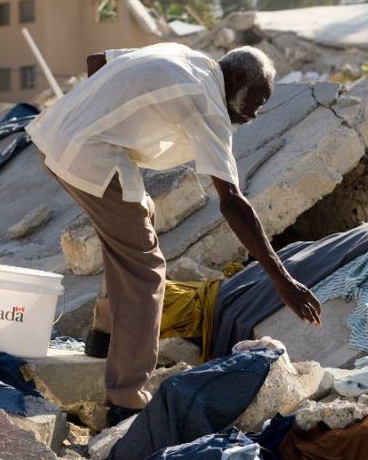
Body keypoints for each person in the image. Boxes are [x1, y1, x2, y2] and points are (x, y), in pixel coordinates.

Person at [27, 42, 322, 426]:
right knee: (147, 269)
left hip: (56, 134)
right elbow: (232, 202)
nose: (254, 113)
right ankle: (126, 398)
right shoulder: (209, 104)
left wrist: (106, 114)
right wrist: (283, 280)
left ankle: (103, 334)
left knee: (139, 219)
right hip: (90, 154)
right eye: (256, 99)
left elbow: (97, 59)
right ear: (234, 79)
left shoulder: (187, 56)